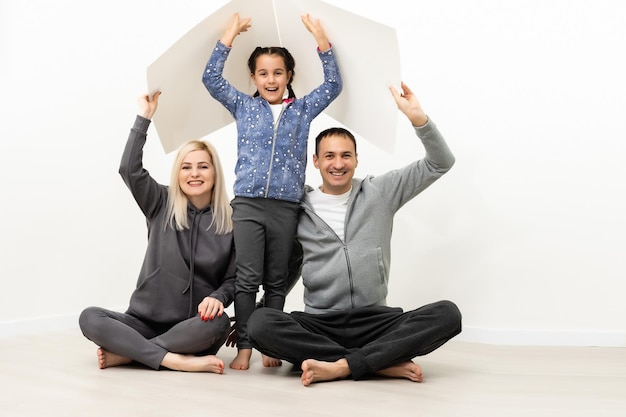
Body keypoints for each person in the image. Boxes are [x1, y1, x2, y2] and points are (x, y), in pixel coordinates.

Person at [247, 82, 462, 386]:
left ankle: (341, 365)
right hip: (320, 323)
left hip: (376, 320)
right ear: (316, 161)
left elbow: (441, 162)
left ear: (356, 159)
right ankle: (376, 362)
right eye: (330, 156)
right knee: (259, 323)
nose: (338, 164)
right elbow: (287, 267)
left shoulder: (380, 192)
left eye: (346, 156)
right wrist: (265, 326)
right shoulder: (296, 206)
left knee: (448, 314)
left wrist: (418, 118)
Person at [202, 12, 342, 370]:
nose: (271, 79)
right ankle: (245, 346)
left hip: (285, 206)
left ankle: (270, 342)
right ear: (253, 77)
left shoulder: (303, 110)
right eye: (263, 73)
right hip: (248, 204)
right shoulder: (245, 106)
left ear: (289, 76)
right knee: (248, 278)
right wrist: (229, 35)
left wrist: (321, 39)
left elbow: (333, 85)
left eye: (278, 72)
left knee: (277, 280)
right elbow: (211, 79)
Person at [79, 91, 236, 373]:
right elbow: (129, 169)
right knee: (89, 317)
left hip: (192, 325)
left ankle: (132, 354)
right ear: (177, 173)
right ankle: (173, 359)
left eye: (203, 166)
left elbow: (234, 278)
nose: (194, 173)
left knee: (221, 322)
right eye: (186, 167)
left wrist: (219, 298)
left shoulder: (231, 219)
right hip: (143, 320)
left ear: (215, 173)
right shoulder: (160, 202)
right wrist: (144, 118)